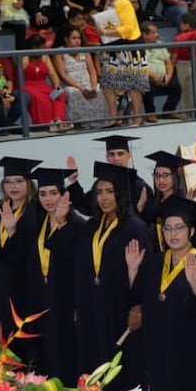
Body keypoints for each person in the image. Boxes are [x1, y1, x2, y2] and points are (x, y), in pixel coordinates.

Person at [125, 197, 196, 391]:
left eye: (179, 228)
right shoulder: (153, 262)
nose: (173, 234)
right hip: (155, 350)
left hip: (187, 352)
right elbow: (136, 299)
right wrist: (133, 270)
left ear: (190, 231)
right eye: (168, 228)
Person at [73, 162, 152, 378]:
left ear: (121, 194)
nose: (104, 198)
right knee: (94, 362)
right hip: (93, 306)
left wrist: (137, 307)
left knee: (122, 366)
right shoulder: (91, 227)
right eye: (99, 192)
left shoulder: (135, 227)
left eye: (110, 192)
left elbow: (146, 272)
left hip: (120, 309)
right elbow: (81, 268)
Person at [23, 167, 87, 380]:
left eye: (53, 193)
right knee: (45, 355)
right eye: (42, 194)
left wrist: (61, 224)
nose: (48, 199)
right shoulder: (37, 223)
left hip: (66, 303)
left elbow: (76, 262)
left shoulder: (78, 224)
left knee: (67, 355)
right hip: (41, 302)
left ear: (63, 195)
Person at [0, 157, 42, 351]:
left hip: (21, 283)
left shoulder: (36, 211)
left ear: (28, 183)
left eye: (19, 181)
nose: (13, 186)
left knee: (18, 330)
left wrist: (12, 233)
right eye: (8, 181)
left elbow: (31, 252)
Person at [96, 0, 149, 126]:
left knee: (133, 84)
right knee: (107, 83)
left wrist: (105, 33)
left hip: (131, 46)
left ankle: (137, 117)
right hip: (114, 46)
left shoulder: (124, 3)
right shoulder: (108, 3)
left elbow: (127, 29)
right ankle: (114, 117)